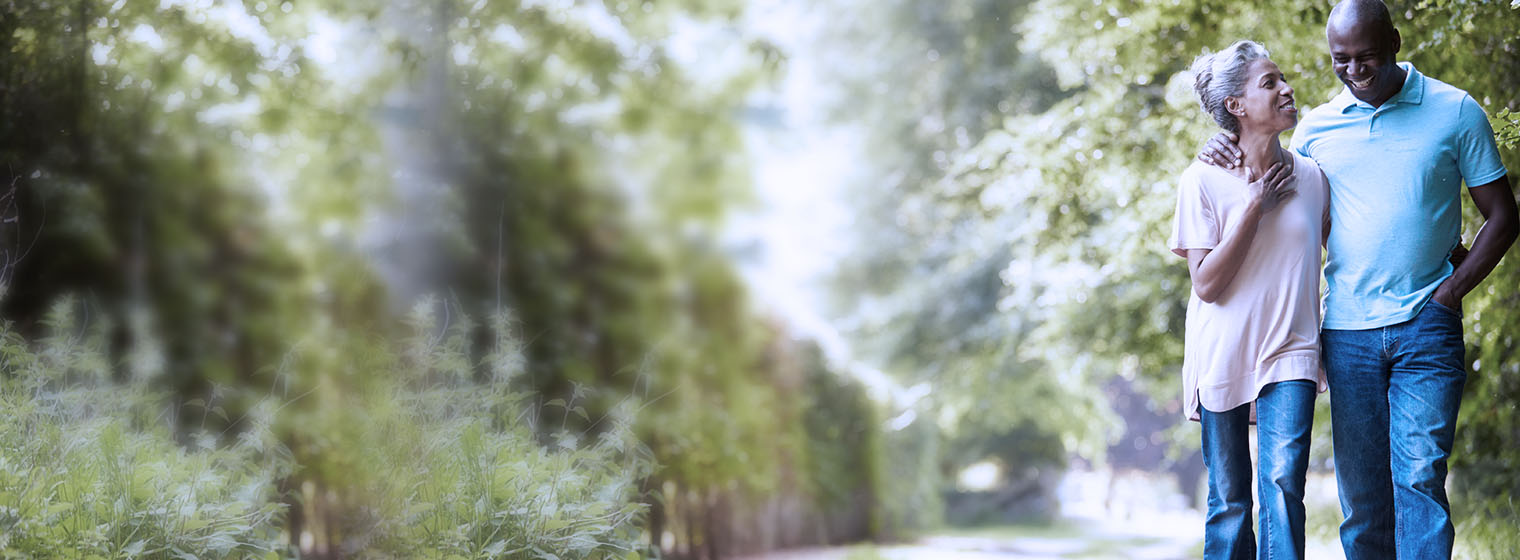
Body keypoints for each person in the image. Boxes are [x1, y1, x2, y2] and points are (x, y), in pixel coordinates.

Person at [1197, 2, 1519, 558]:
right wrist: (1221, 142)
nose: (1354, 70)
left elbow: (1504, 216)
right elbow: (1280, 201)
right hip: (1347, 334)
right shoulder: (1316, 130)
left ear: (1394, 41)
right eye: (1340, 60)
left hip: (1427, 325)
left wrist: (1451, 292)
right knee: (1363, 501)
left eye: (1366, 56)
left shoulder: (1455, 111)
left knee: (1419, 477)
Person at [1171, 40, 1330, 560]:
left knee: (1283, 487)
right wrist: (1255, 208)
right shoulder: (1202, 180)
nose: (1286, 89)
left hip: (1292, 350)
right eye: (1270, 83)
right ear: (1236, 107)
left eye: (1282, 78)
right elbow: (1207, 284)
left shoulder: (1313, 177)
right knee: (1230, 501)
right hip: (1223, 353)